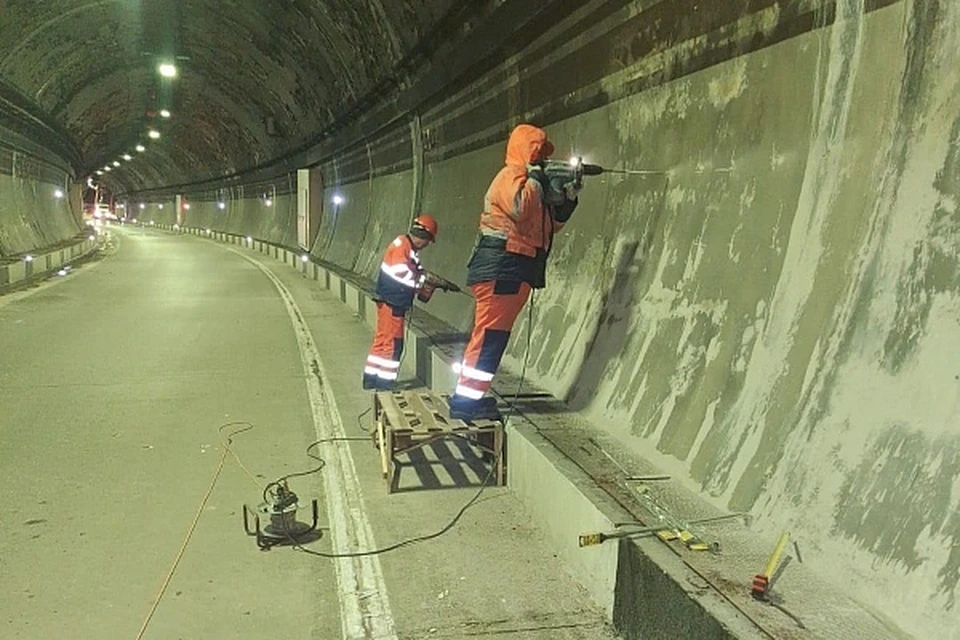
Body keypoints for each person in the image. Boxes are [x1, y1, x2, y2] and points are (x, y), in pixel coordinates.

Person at [448, 124, 581, 421]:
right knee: (489, 337)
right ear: (526, 151)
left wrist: (567, 200)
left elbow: (548, 227)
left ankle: (471, 396)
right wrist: (535, 178)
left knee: (492, 337)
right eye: (537, 154)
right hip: (502, 267)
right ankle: (466, 401)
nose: (542, 161)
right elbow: (520, 209)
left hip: (513, 269)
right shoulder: (510, 178)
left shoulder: (529, 184)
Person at [362, 215, 439, 391]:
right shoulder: (402, 246)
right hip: (393, 300)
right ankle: (385, 383)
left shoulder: (406, 247)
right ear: (423, 236)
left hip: (388, 299)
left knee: (382, 339)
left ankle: (370, 378)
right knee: (393, 343)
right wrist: (422, 286)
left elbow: (412, 270)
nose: (427, 245)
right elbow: (401, 273)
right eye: (428, 241)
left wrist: (425, 278)